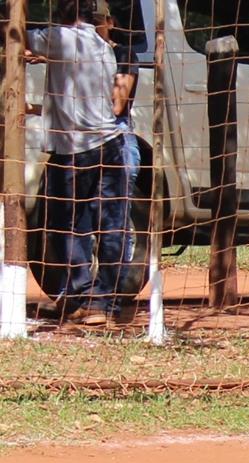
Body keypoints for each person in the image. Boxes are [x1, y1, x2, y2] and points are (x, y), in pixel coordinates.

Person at [26, 0, 126, 325]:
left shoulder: (59, 39)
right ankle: (100, 302)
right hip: (109, 144)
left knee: (63, 223)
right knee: (108, 225)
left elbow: (16, 34)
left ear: (64, 13)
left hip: (72, 149)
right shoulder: (102, 46)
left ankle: (79, 292)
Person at [94, 0, 140, 283]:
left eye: (96, 20)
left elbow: (117, 106)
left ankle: (111, 292)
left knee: (114, 218)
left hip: (116, 135)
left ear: (110, 22)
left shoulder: (123, 54)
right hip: (82, 137)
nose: (90, 27)